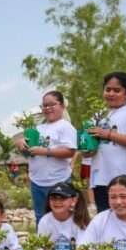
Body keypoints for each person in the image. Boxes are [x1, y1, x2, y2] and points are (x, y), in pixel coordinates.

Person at [84, 72, 126, 212]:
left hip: (121, 179)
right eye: (108, 89)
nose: (111, 93)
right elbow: (93, 147)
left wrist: (108, 134)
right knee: (105, 219)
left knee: (123, 218)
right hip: (99, 178)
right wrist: (86, 148)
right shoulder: (99, 115)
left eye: (117, 90)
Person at [16, 91, 77, 225]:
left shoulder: (65, 127)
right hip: (37, 181)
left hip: (58, 180)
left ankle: (64, 244)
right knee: (41, 218)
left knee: (62, 216)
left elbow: (70, 151)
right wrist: (20, 144)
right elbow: (28, 151)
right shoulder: (37, 128)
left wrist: (44, 151)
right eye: (44, 106)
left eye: (51, 105)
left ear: (62, 106)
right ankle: (43, 245)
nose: (47, 108)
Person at [37, 181, 91, 250]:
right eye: (53, 198)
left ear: (73, 200)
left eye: (62, 198)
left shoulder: (79, 220)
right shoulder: (44, 221)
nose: (57, 202)